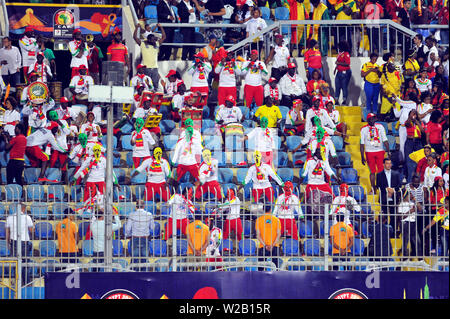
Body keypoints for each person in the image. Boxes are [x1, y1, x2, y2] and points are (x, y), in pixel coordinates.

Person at [360, 113, 390, 193]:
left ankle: (381, 187)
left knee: (381, 171)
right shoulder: (363, 129)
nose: (374, 120)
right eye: (372, 118)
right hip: (369, 152)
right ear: (368, 120)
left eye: (374, 118)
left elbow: (385, 139)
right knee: (372, 172)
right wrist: (362, 156)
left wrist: (388, 151)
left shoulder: (380, 127)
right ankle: (373, 188)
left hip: (380, 151)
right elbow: (362, 144)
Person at [133, 23, 166, 91]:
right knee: (146, 86)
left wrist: (161, 27)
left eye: (155, 39)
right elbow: (135, 37)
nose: (154, 41)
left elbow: (164, 37)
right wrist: (136, 28)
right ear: (148, 40)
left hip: (155, 68)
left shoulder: (156, 44)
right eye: (153, 39)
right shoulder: (143, 44)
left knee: (155, 86)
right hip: (146, 68)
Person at [376, 158, 402, 234]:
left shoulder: (396, 174)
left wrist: (392, 190)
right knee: (384, 216)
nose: (389, 165)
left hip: (394, 198)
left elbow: (399, 185)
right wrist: (387, 189)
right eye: (387, 163)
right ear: (383, 164)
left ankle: (392, 232)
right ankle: (384, 232)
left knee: (393, 216)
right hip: (384, 197)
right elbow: (378, 185)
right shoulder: (379, 175)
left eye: (390, 163)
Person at [255, 205, 282, 270]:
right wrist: (272, 245)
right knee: (276, 268)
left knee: (261, 269)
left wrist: (265, 245)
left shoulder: (259, 220)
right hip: (274, 246)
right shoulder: (276, 220)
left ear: (263, 210)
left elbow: (258, 235)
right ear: (270, 210)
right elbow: (278, 234)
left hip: (263, 247)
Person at [398, 190, 423, 259]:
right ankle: (405, 258)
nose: (411, 196)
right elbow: (401, 217)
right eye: (410, 194)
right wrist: (410, 211)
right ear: (406, 195)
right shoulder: (401, 204)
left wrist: (415, 201)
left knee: (417, 241)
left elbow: (420, 209)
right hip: (405, 224)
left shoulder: (412, 203)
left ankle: (420, 258)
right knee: (405, 242)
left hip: (413, 223)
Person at [334, 41, 351, 106]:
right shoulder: (340, 53)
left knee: (344, 87)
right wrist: (336, 68)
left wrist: (339, 63)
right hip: (339, 72)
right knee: (337, 86)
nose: (338, 48)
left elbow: (347, 63)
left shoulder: (346, 54)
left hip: (345, 73)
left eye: (339, 47)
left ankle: (344, 100)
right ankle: (336, 100)